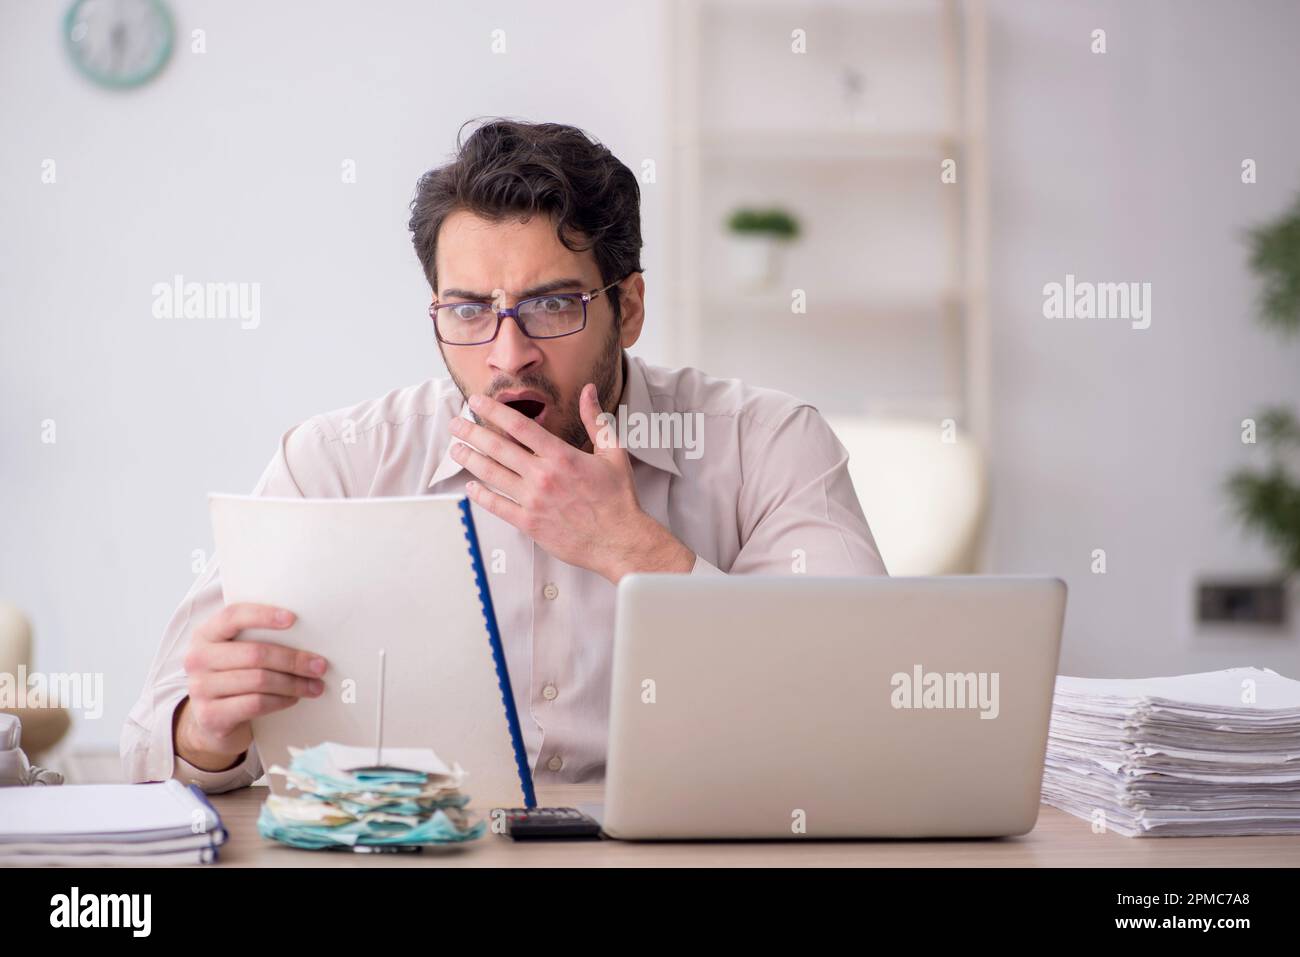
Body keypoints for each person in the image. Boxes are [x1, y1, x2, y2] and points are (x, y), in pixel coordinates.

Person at [121, 118, 887, 794]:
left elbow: (866, 707)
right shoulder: (338, 465)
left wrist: (633, 551)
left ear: (629, 308)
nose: (507, 354)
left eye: (553, 304)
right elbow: (148, 745)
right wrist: (206, 733)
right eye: (468, 310)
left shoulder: (771, 444)